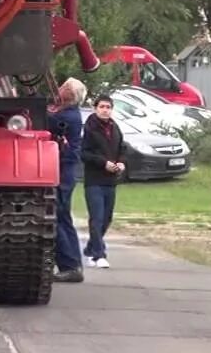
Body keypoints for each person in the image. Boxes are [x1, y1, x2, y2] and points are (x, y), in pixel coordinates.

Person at [49, 77, 88, 283]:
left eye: (64, 86)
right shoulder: (66, 114)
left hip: (62, 173)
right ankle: (72, 265)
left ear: (70, 95)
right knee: (63, 218)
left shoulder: (66, 117)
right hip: (65, 172)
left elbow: (45, 119)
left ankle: (70, 265)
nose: (59, 87)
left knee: (57, 217)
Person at [80, 95, 126, 268]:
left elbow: (122, 148)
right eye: (102, 107)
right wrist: (103, 163)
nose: (105, 110)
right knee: (97, 218)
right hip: (94, 180)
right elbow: (84, 154)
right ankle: (99, 254)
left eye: (108, 107)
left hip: (110, 181)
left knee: (107, 219)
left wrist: (121, 162)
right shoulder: (90, 128)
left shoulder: (115, 127)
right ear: (95, 108)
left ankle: (90, 249)